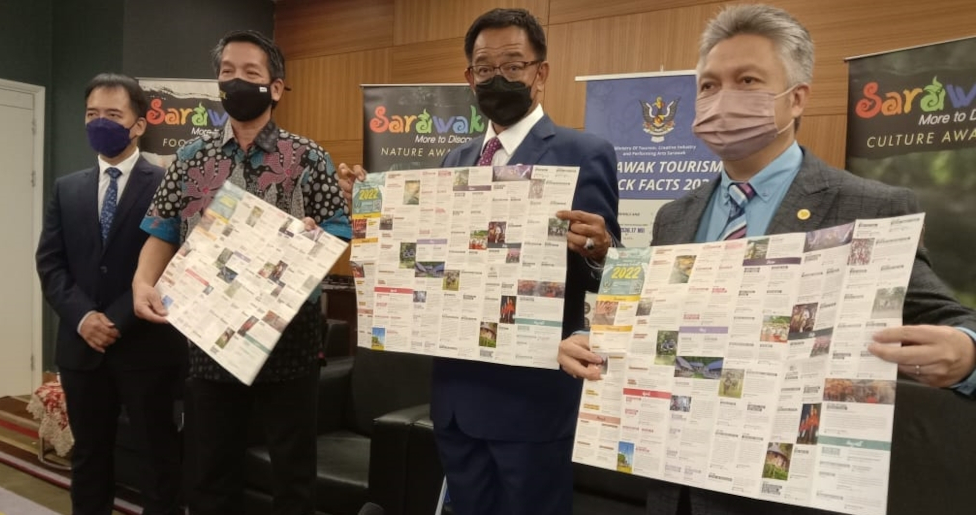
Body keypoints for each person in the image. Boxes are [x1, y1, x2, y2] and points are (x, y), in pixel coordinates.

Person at [558, 4, 976, 515]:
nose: (721, 98)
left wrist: (966, 353)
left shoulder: (871, 207)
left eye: (747, 80)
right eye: (709, 85)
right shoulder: (675, 217)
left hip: (793, 493)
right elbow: (656, 326)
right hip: (676, 486)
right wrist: (595, 340)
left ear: (796, 98)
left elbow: (954, 322)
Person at [339, 9, 620, 514]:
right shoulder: (455, 161)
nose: (498, 77)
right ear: (469, 78)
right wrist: (371, 213)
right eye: (485, 67)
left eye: (514, 64)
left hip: (533, 396)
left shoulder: (585, 151)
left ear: (541, 72)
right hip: (456, 395)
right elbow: (431, 258)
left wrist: (599, 249)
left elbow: (605, 270)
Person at [130, 30, 351, 515]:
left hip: (289, 336)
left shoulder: (307, 157)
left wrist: (315, 236)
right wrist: (142, 282)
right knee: (209, 471)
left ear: (275, 86)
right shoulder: (192, 158)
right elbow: (162, 230)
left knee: (293, 473)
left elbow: (338, 232)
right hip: (210, 334)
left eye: (250, 73)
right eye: (227, 72)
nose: (236, 81)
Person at [36, 73, 188, 515]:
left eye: (113, 115)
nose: (100, 123)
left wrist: (116, 320)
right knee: (89, 457)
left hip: (147, 346)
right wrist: (84, 318)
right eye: (92, 114)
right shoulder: (68, 188)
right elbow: (51, 262)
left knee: (158, 458)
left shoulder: (166, 182)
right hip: (81, 348)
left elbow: (174, 262)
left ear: (138, 124)